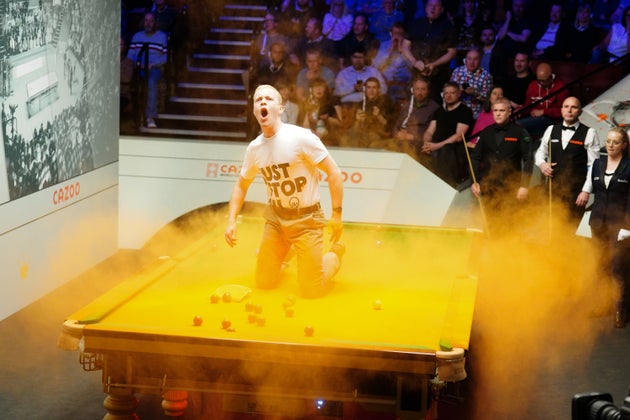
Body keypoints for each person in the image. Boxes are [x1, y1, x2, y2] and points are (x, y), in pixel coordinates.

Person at [225, 84, 345, 299]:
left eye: (269, 99)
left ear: (280, 108)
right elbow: (241, 185)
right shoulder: (254, 148)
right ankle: (286, 253)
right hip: (276, 220)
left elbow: (334, 173)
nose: (262, 102)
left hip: (307, 220)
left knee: (312, 290)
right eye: (258, 100)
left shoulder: (301, 137)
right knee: (263, 282)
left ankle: (335, 255)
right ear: (254, 110)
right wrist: (231, 220)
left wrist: (337, 214)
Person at [471, 97, 534, 235]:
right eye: (495, 111)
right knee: (490, 224)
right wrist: (474, 181)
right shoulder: (486, 132)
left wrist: (524, 185)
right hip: (488, 186)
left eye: (501, 110)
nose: (498, 114)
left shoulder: (520, 132)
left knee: (510, 224)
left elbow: (528, 159)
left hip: (511, 186)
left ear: (509, 112)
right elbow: (475, 157)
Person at [535, 97, 601, 225]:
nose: (569, 110)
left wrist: (586, 191)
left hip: (576, 193)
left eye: (574, 107)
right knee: (549, 228)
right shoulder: (551, 129)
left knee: (569, 231)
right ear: (561, 110)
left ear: (580, 111)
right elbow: (540, 153)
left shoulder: (589, 133)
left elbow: (594, 166)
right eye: (566, 107)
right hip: (551, 190)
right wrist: (542, 164)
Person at [588, 127, 630, 328]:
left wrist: (627, 226)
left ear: (624, 145)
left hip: (619, 226)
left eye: (615, 142)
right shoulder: (597, 164)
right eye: (608, 141)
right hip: (598, 224)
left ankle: (619, 310)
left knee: (618, 269)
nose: (610, 145)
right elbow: (596, 193)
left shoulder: (629, 166)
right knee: (600, 266)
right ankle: (602, 305)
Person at [401, 0, 457, 103]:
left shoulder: (448, 26)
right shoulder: (415, 24)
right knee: (413, 102)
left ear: (441, 10)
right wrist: (414, 62)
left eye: (436, 6)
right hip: (417, 71)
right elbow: (404, 47)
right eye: (430, 5)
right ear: (426, 8)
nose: (433, 8)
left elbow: (452, 52)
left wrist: (434, 64)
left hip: (437, 75)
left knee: (434, 103)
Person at [422, 82, 473, 187]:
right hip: (435, 145)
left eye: (452, 93)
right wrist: (426, 143)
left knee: (444, 150)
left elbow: (458, 136)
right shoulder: (439, 111)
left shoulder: (465, 111)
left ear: (458, 94)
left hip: (453, 148)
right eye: (446, 93)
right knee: (414, 147)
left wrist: (436, 146)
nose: (448, 96)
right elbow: (429, 131)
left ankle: (443, 186)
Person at [378, 76, 440, 160]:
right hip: (400, 140)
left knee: (402, 149)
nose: (420, 92)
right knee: (376, 145)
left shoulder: (434, 108)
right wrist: (397, 134)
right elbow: (397, 126)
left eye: (423, 89)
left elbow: (434, 134)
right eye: (417, 89)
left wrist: (412, 137)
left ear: (428, 91)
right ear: (413, 91)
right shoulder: (406, 106)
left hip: (417, 143)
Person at [127, 12, 168, 128]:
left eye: (151, 21)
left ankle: (150, 116)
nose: (148, 23)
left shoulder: (161, 36)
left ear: (155, 23)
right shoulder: (136, 36)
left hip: (155, 68)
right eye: (146, 20)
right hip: (139, 68)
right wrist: (137, 64)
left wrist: (153, 64)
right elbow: (131, 55)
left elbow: (165, 57)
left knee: (151, 81)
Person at [517, 62, 569, 142]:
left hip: (551, 119)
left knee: (518, 126)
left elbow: (564, 112)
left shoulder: (560, 87)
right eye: (539, 80)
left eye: (544, 81)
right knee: (513, 125)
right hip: (534, 119)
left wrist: (543, 112)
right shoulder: (533, 85)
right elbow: (527, 106)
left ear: (551, 77)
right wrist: (520, 111)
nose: (541, 83)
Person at [339, 76, 394, 148]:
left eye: (374, 88)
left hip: (378, 133)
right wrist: (358, 120)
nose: (371, 90)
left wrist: (379, 115)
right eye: (368, 87)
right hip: (362, 132)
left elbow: (388, 126)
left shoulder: (385, 101)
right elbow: (355, 125)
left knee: (371, 141)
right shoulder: (361, 104)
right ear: (365, 89)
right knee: (346, 138)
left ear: (379, 89)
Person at [371, 22, 412, 102]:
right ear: (391, 33)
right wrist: (389, 51)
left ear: (404, 35)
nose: (397, 36)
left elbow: (412, 67)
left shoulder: (408, 46)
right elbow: (376, 65)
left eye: (400, 34)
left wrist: (402, 51)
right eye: (395, 33)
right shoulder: (384, 45)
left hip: (403, 84)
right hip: (386, 84)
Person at [449, 48, 493, 119]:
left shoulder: (486, 76)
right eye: (469, 59)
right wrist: (458, 90)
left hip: (475, 113)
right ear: (465, 60)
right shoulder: (457, 72)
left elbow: (489, 99)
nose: (472, 62)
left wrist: (475, 92)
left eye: (475, 59)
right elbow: (448, 91)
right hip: (458, 109)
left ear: (480, 61)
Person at [299, 77, 342, 144]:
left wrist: (328, 119)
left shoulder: (333, 102)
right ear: (311, 90)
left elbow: (340, 123)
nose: (318, 89)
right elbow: (305, 124)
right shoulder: (307, 104)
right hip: (311, 137)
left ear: (325, 90)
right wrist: (313, 133)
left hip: (329, 138)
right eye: (316, 87)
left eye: (321, 87)